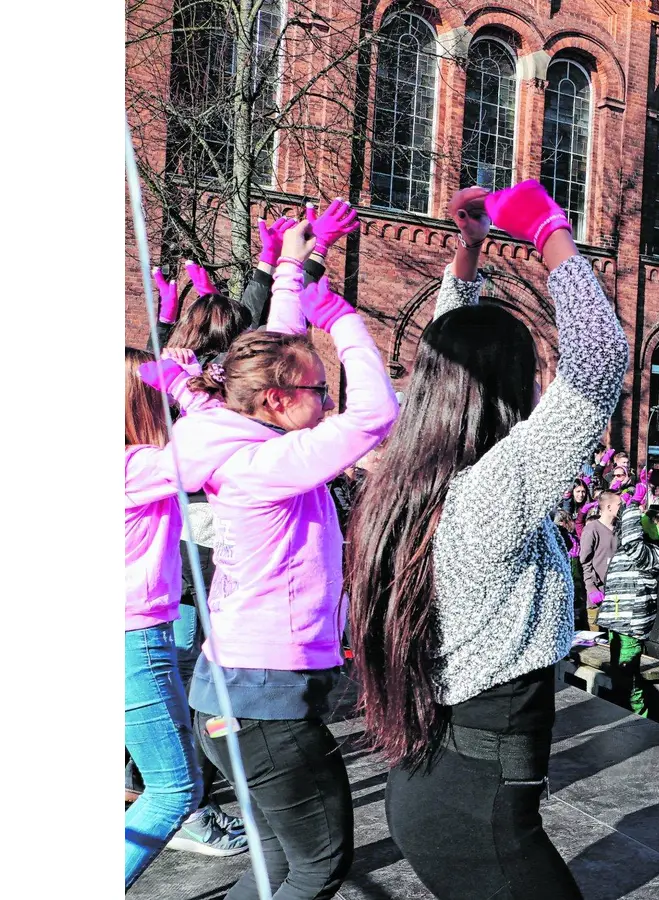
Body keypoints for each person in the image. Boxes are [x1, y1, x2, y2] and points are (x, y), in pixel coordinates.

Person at [346, 181, 625, 899]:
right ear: (507, 389)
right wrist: (548, 230)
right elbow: (598, 358)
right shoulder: (490, 492)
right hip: (477, 809)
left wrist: (467, 256)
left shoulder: (417, 479)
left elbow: (448, 356)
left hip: (445, 781)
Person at [171, 215, 398, 900]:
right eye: (319, 392)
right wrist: (344, 319)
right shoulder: (264, 463)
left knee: (275, 869)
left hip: (236, 694)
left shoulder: (234, 430)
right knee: (317, 868)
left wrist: (293, 270)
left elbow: (278, 350)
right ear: (276, 401)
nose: (328, 402)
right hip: (261, 704)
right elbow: (374, 415)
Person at [124, 348, 203, 887]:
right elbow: (206, 452)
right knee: (174, 790)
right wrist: (186, 388)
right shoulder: (135, 466)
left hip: (133, 631)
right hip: (133, 636)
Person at [597, 483, 659, 716]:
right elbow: (625, 532)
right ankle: (621, 714)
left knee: (627, 678)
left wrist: (633, 505)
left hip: (629, 624)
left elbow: (632, 539)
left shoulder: (649, 553)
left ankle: (638, 718)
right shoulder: (633, 549)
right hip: (618, 621)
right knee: (619, 676)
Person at [579, 490, 622, 629]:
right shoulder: (592, 529)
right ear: (609, 507)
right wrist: (591, 588)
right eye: (619, 504)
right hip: (597, 597)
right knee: (598, 639)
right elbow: (585, 562)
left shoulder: (620, 529)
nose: (622, 507)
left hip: (616, 596)